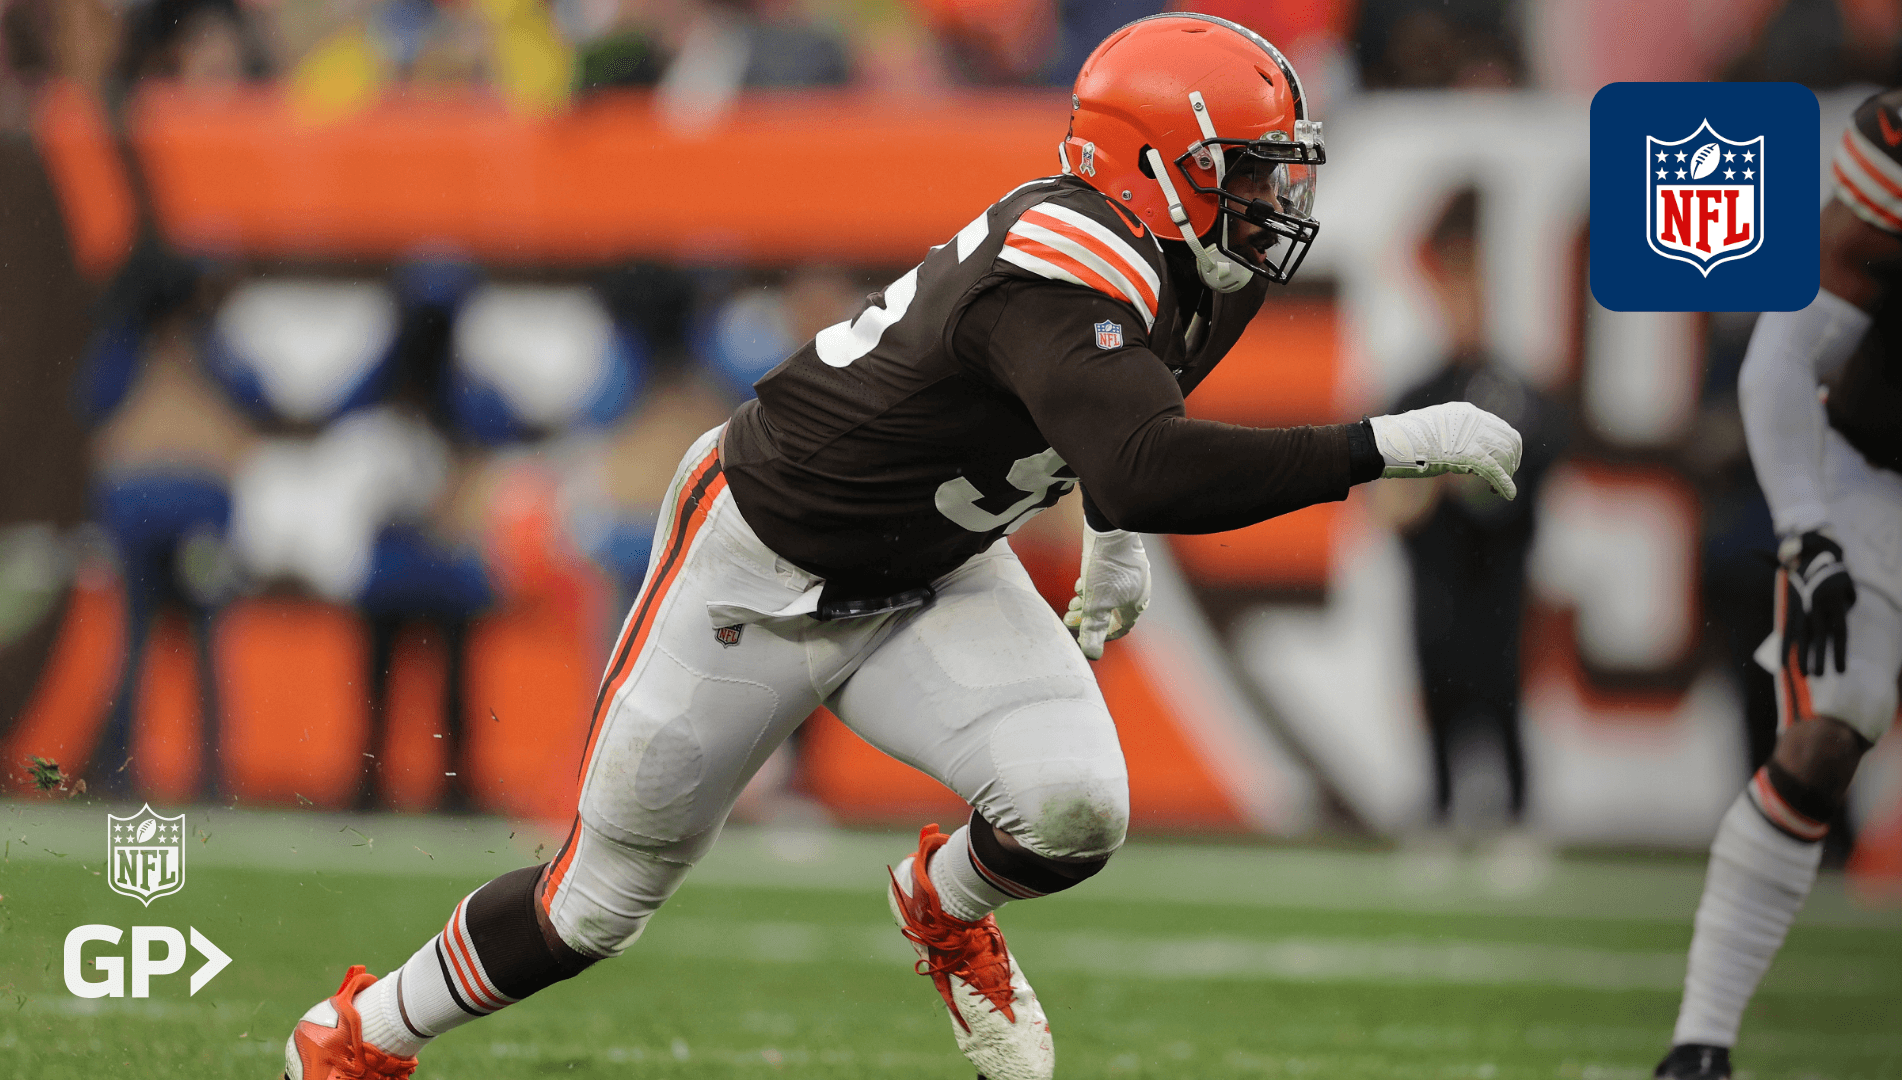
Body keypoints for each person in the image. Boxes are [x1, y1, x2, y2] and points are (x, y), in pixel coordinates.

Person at [281, 14, 1523, 1080]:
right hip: (757, 565)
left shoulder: (1199, 265)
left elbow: (1119, 418)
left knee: (1074, 808)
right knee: (594, 906)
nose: (1271, 201)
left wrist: (1112, 541)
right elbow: (1141, 457)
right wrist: (1386, 445)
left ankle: (945, 909)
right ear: (1152, 166)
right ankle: (354, 1037)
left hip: (933, 567)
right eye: (1244, 171)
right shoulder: (1060, 261)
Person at [1655, 89, 1902, 1080]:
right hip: (1878, 472)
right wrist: (1807, 529)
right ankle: (1700, 1042)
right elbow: (1784, 354)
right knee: (1830, 725)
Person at [1382, 188, 1562, 833]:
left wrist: (1475, 479)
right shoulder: (1416, 392)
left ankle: (1515, 816)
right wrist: (1440, 479)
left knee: (1501, 694)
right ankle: (1437, 813)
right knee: (1437, 694)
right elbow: (1388, 500)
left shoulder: (1520, 392)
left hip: (1499, 579)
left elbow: (1540, 476)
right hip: (1437, 576)